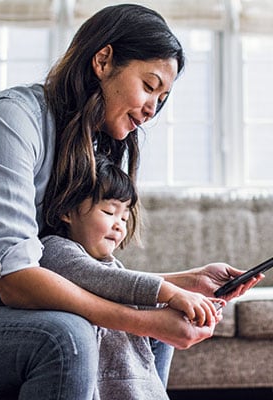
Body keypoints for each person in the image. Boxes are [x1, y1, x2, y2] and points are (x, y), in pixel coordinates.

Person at [0, 4, 260, 399]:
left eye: (163, 97)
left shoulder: (80, 144)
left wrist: (181, 284)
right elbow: (15, 280)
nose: (154, 108)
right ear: (103, 60)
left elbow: (70, 264)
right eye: (150, 86)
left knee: (152, 329)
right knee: (68, 337)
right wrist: (145, 320)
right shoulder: (8, 121)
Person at [40, 154, 224, 399]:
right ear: (68, 211)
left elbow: (120, 283)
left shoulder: (111, 264)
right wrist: (171, 292)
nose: (119, 225)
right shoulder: (55, 250)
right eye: (109, 212)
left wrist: (196, 307)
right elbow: (103, 280)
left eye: (124, 217)